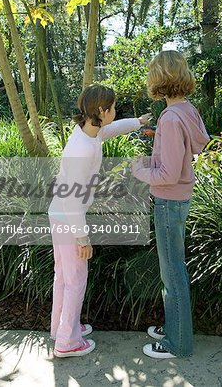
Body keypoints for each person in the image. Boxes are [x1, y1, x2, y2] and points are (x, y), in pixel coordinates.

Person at [48, 84, 151, 358]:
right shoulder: (82, 149)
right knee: (76, 279)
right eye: (113, 108)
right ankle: (67, 343)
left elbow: (110, 130)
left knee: (64, 276)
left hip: (59, 214)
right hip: (68, 217)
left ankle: (62, 329)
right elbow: (72, 198)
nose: (115, 112)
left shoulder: (88, 131)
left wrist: (138, 123)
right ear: (102, 111)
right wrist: (82, 238)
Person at [131, 50, 210, 359]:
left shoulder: (171, 118)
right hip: (178, 200)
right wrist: (148, 160)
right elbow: (173, 160)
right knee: (173, 269)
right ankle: (175, 326)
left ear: (160, 78)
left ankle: (178, 342)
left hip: (168, 201)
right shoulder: (187, 111)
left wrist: (138, 169)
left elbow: (167, 174)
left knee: (172, 273)